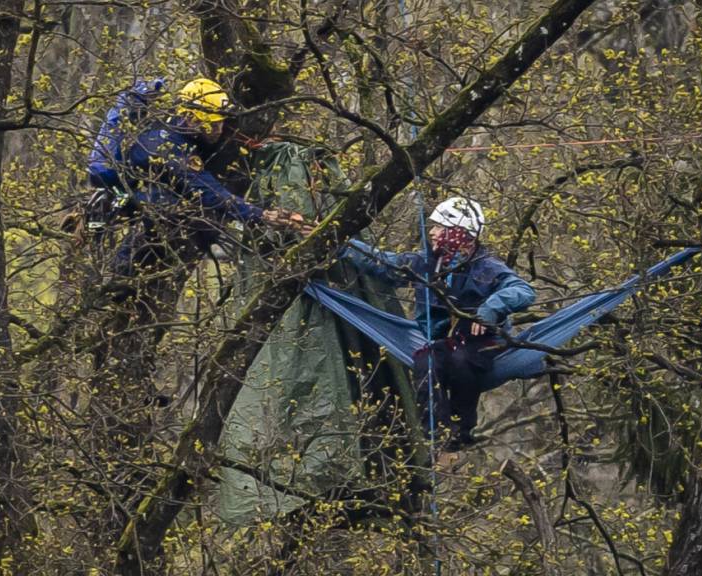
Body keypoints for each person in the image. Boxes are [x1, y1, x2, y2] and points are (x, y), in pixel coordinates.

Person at [340, 197, 535, 450]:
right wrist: (342, 245)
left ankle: (460, 431)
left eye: (439, 227)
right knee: (426, 362)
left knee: (460, 361)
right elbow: (384, 263)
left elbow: (523, 291)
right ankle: (436, 436)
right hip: (445, 342)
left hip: (484, 344)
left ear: (459, 233)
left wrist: (490, 309)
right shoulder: (427, 264)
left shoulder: (486, 267)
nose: (432, 232)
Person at [85, 77, 308, 277]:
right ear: (192, 119)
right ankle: (122, 270)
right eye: (213, 124)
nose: (219, 129)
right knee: (167, 207)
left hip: (141, 184)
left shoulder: (179, 125)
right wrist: (262, 215)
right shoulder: (171, 151)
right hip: (130, 193)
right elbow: (209, 193)